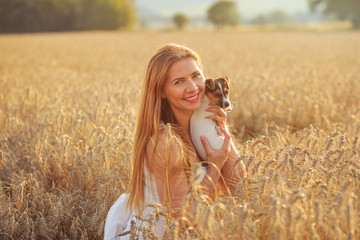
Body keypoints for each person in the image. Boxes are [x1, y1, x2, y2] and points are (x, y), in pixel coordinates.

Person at [104, 43, 246, 240]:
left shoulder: (199, 129)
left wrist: (221, 128)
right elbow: (182, 220)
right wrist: (216, 166)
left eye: (196, 76)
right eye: (179, 82)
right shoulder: (166, 141)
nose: (193, 87)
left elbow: (240, 187)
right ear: (161, 91)